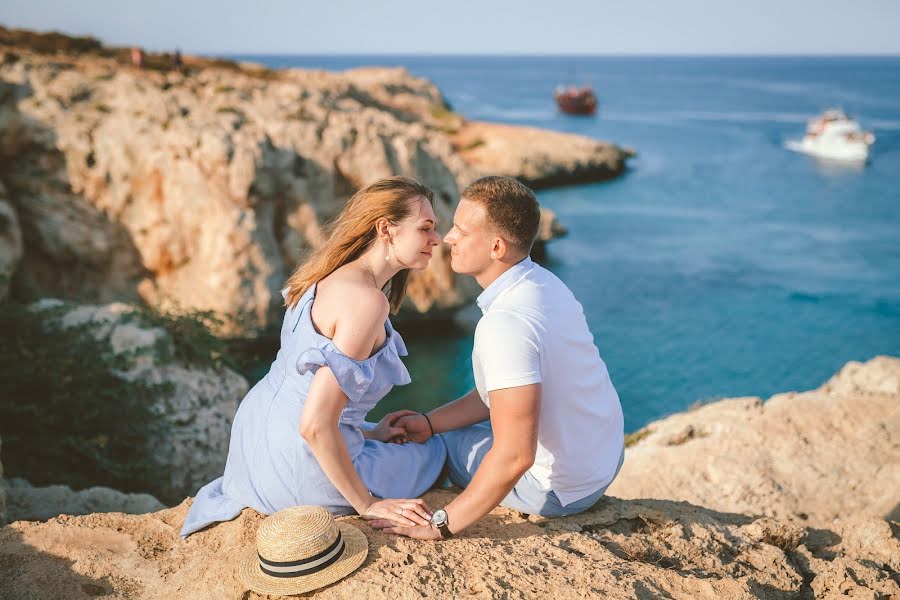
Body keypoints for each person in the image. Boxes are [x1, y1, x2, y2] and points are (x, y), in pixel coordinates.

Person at [181, 176, 446, 538]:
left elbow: (307, 389)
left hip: (254, 450)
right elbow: (315, 424)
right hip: (298, 467)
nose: (437, 239)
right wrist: (367, 504)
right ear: (386, 229)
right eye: (426, 228)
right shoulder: (367, 302)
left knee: (405, 441)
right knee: (435, 449)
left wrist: (371, 431)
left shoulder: (322, 277)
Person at [371, 176, 625, 540]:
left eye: (460, 230)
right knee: (445, 430)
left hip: (559, 490)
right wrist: (429, 420)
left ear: (496, 247)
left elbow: (514, 455)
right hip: (603, 462)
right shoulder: (546, 285)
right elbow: (501, 395)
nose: (448, 238)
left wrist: (440, 524)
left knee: (441, 446)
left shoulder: (505, 325)